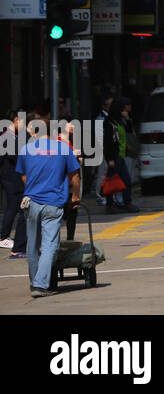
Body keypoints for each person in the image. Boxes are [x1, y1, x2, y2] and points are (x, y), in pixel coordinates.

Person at [16, 106, 81, 297]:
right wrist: (75, 196)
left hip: (31, 202)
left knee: (32, 245)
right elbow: (75, 176)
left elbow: (23, 177)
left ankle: (34, 281)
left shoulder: (27, 149)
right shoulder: (62, 148)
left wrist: (34, 187)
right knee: (50, 245)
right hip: (53, 203)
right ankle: (40, 284)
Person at [102, 100, 139, 214]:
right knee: (112, 181)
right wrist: (111, 159)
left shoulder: (119, 121)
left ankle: (127, 203)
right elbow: (108, 142)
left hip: (121, 155)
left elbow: (128, 130)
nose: (124, 111)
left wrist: (127, 119)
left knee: (126, 181)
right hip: (114, 156)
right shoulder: (109, 122)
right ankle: (110, 205)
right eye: (122, 109)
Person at [1, 110, 28, 256]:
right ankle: (3, 236)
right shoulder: (8, 137)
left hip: (10, 177)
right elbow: (14, 156)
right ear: (16, 120)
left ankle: (5, 236)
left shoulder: (10, 136)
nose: (24, 125)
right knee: (12, 207)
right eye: (23, 122)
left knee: (14, 206)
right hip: (10, 178)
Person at [93, 93, 113, 205]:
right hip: (102, 150)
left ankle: (106, 194)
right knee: (102, 173)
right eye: (110, 104)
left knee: (105, 173)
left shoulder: (108, 117)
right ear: (105, 106)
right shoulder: (101, 119)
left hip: (106, 150)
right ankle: (99, 196)